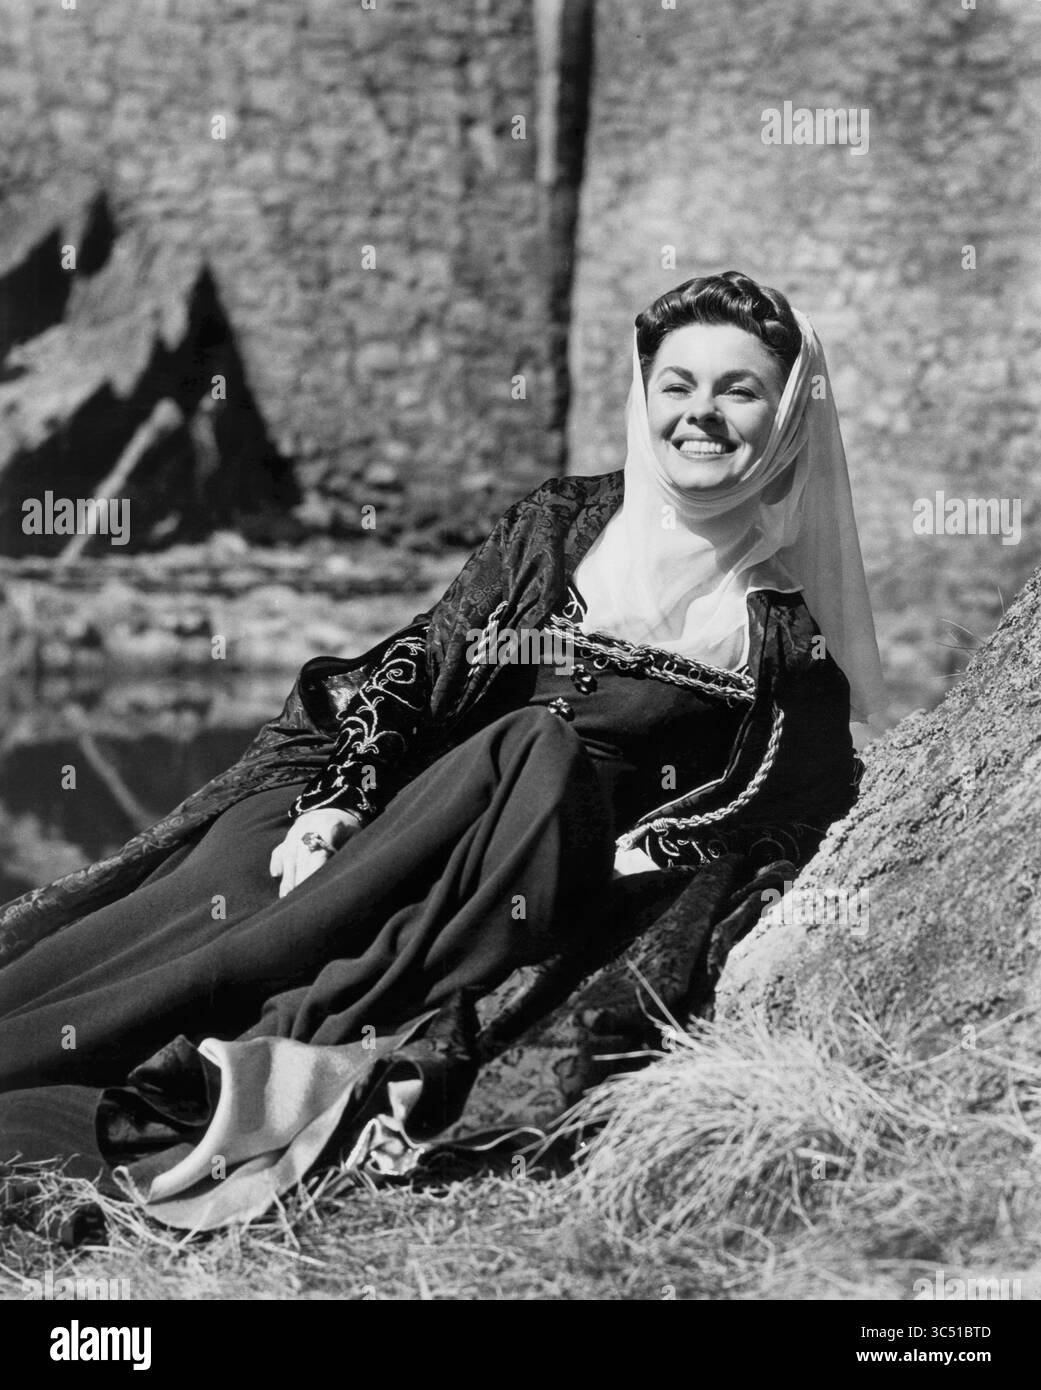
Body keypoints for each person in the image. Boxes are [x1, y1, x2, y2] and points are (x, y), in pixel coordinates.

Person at [0, 271, 888, 1229]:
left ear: (785, 412)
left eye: (737, 391)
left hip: (528, 861)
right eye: (677, 385)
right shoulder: (563, 524)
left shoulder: (787, 629)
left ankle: (265, 1057)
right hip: (403, 804)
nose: (699, 415)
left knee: (535, 750)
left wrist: (657, 845)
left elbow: (783, 799)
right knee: (210, 915)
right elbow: (425, 661)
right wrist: (339, 797)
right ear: (644, 396)